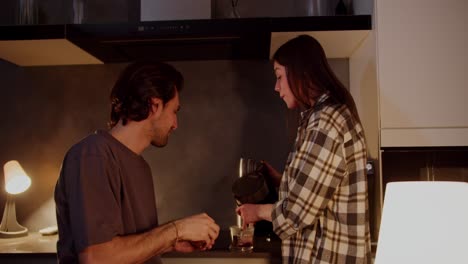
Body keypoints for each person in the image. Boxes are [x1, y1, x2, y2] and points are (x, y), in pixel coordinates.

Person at [54, 61, 220, 264]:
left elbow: (131, 248)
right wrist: (177, 229)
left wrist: (171, 242)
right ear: (154, 105)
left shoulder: (140, 166)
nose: (175, 124)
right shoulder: (93, 156)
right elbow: (97, 259)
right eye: (174, 111)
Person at [236, 35, 372, 263]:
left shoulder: (327, 123)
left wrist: (256, 212)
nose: (276, 87)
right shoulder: (317, 119)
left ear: (301, 73)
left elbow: (296, 212)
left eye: (279, 77)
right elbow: (321, 191)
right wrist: (282, 181)